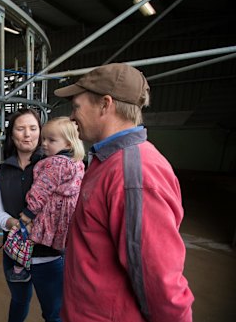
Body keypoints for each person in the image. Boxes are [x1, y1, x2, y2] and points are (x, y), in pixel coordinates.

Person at [55, 63, 194, 321]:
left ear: (105, 104)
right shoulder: (107, 160)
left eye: (76, 106)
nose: (72, 117)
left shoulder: (134, 174)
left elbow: (160, 280)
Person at [0, 109, 65, 322]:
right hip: (14, 252)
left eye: (33, 128)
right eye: (20, 129)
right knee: (20, 301)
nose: (27, 134)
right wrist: (15, 223)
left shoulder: (55, 166)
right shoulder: (1, 171)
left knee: (53, 311)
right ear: (12, 134)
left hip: (48, 255)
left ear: (40, 133)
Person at [10, 117, 85, 284]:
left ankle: (19, 269)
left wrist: (28, 213)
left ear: (68, 144)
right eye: (44, 138)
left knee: (27, 237)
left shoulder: (55, 164)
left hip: (50, 212)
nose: (44, 143)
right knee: (64, 241)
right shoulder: (77, 162)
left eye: (51, 140)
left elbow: (41, 190)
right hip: (67, 214)